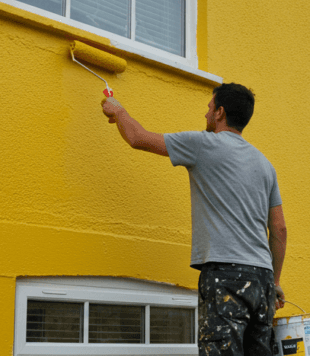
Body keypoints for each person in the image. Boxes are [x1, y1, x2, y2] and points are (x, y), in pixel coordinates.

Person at [100, 83, 287, 356]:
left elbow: (137, 137)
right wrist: (276, 282)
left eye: (209, 108)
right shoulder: (265, 165)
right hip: (263, 279)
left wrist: (118, 110)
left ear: (220, 112)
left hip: (226, 275)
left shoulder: (203, 144)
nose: (206, 114)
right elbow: (279, 229)